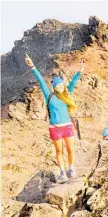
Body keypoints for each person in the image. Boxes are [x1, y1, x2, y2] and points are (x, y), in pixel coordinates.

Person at [25, 54, 84, 183]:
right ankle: (62, 172)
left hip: (67, 126)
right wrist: (32, 66)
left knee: (70, 150)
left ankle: (71, 168)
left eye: (62, 86)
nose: (60, 88)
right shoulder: (49, 96)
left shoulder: (67, 94)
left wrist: (80, 70)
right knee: (59, 151)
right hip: (55, 128)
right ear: (54, 87)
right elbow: (41, 81)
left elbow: (73, 82)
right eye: (58, 86)